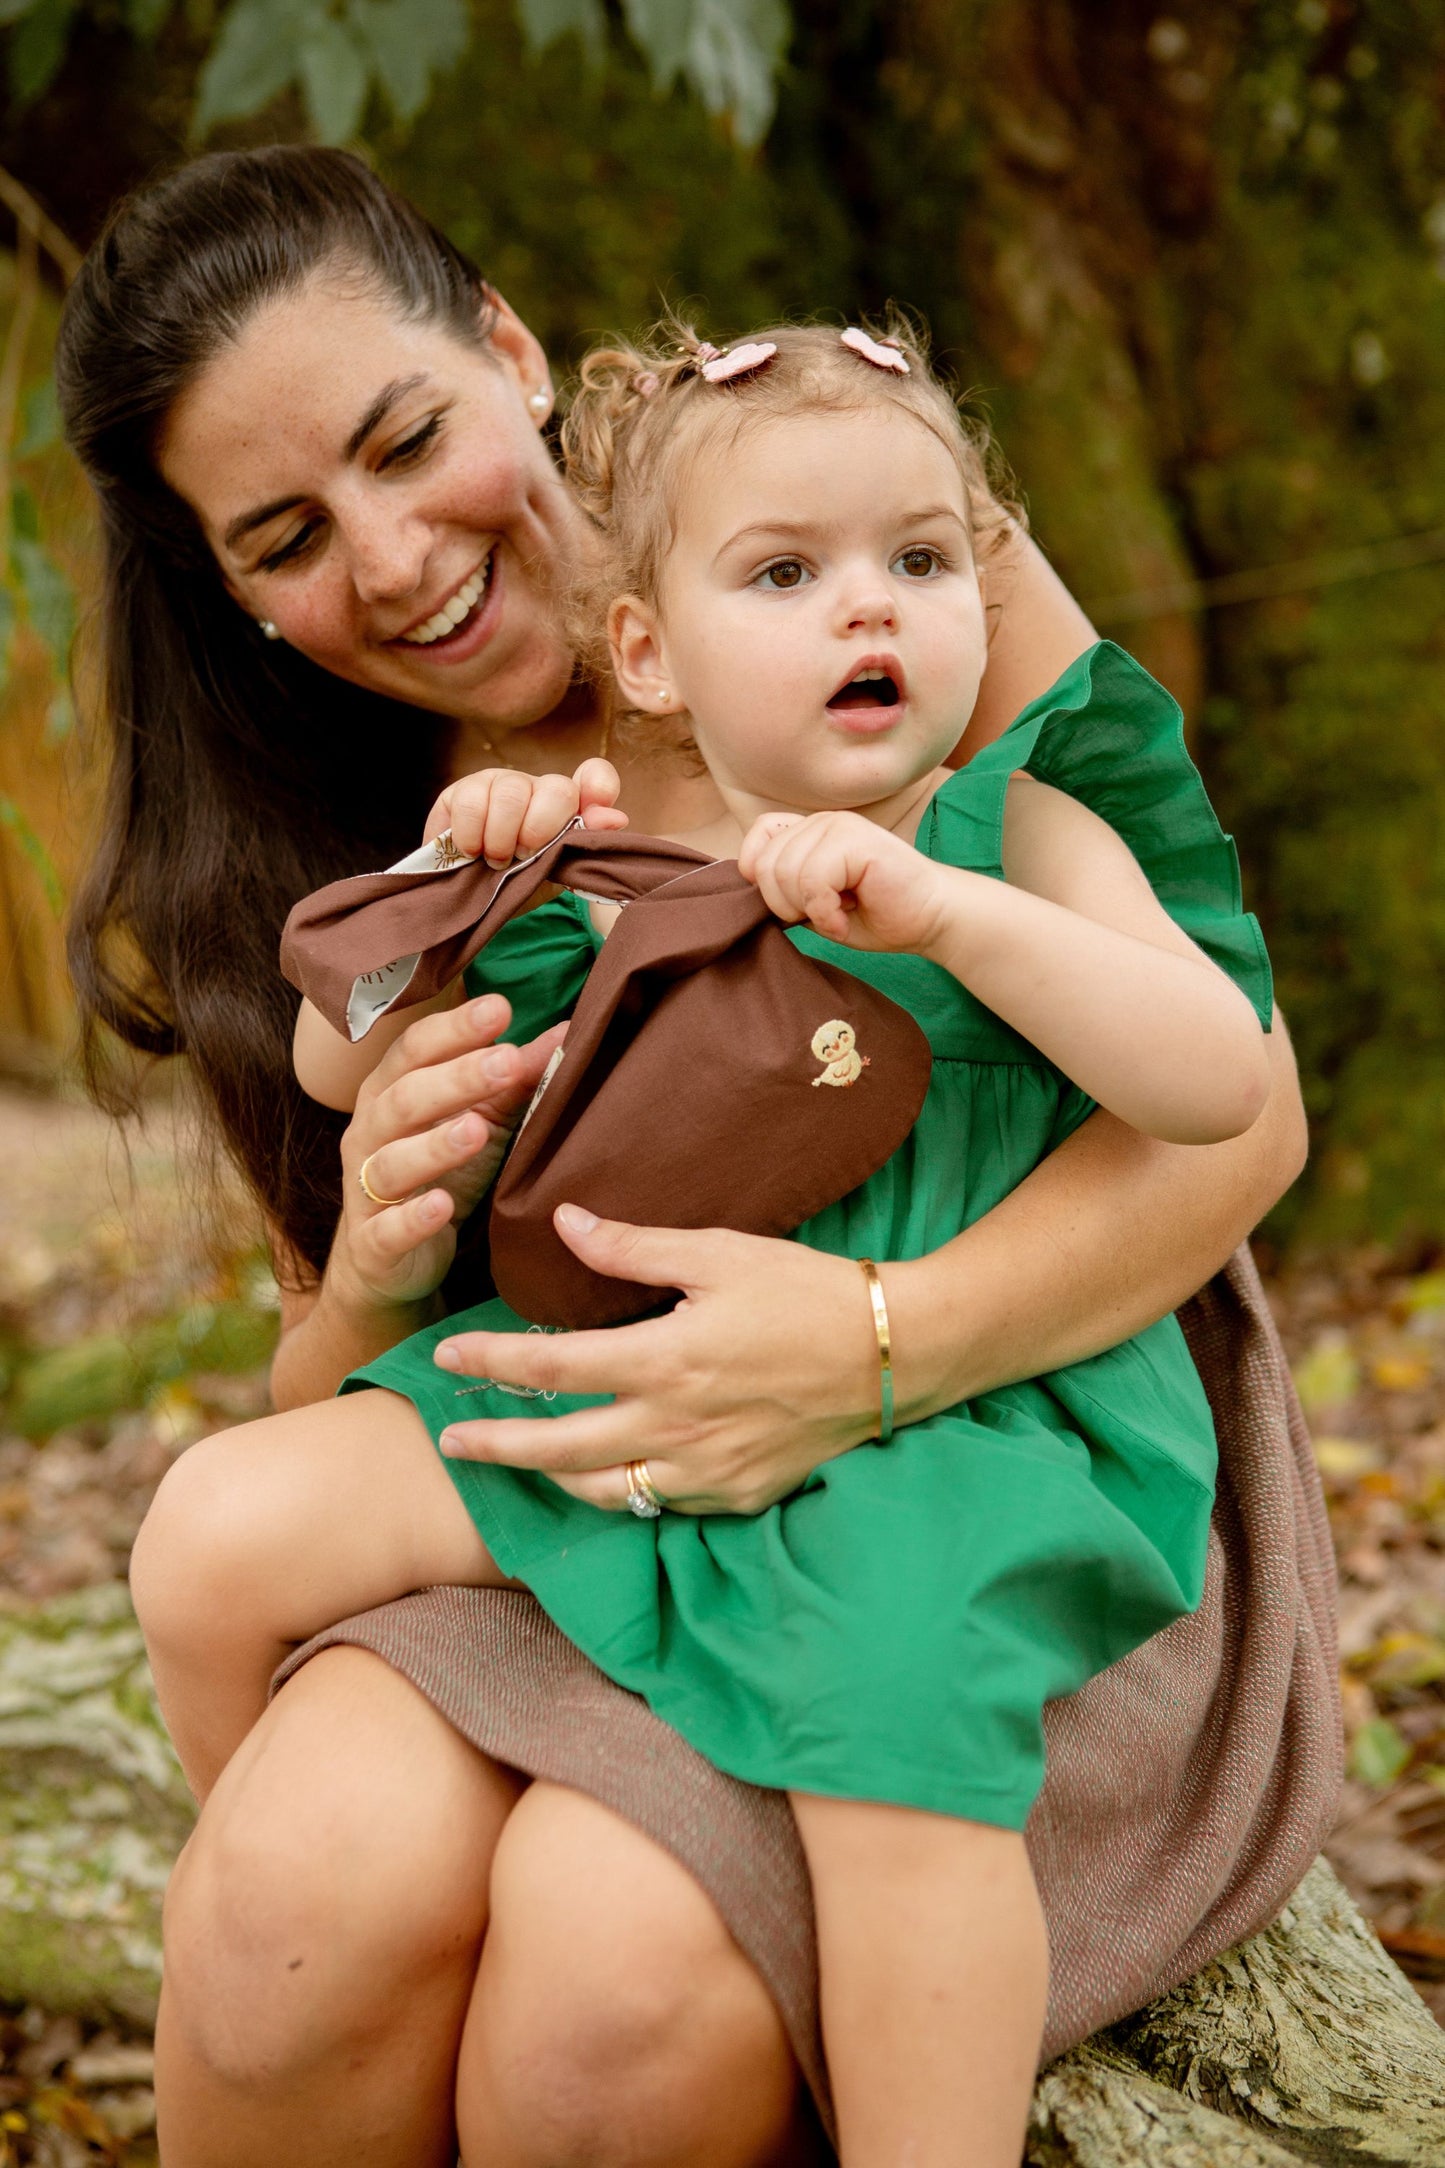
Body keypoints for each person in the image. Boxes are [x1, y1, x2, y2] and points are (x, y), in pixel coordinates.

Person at [57, 147, 1335, 2168]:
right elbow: (330, 1388)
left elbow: (1237, 1105)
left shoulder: (862, 544)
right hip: (582, 1467)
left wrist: (877, 1342)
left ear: (504, 349)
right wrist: (386, 1254)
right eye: (290, 535)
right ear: (230, 595)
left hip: (1002, 1403)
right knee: (288, 1903)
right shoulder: (358, 840)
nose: (389, 560)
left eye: (407, 441)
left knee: (605, 1991)